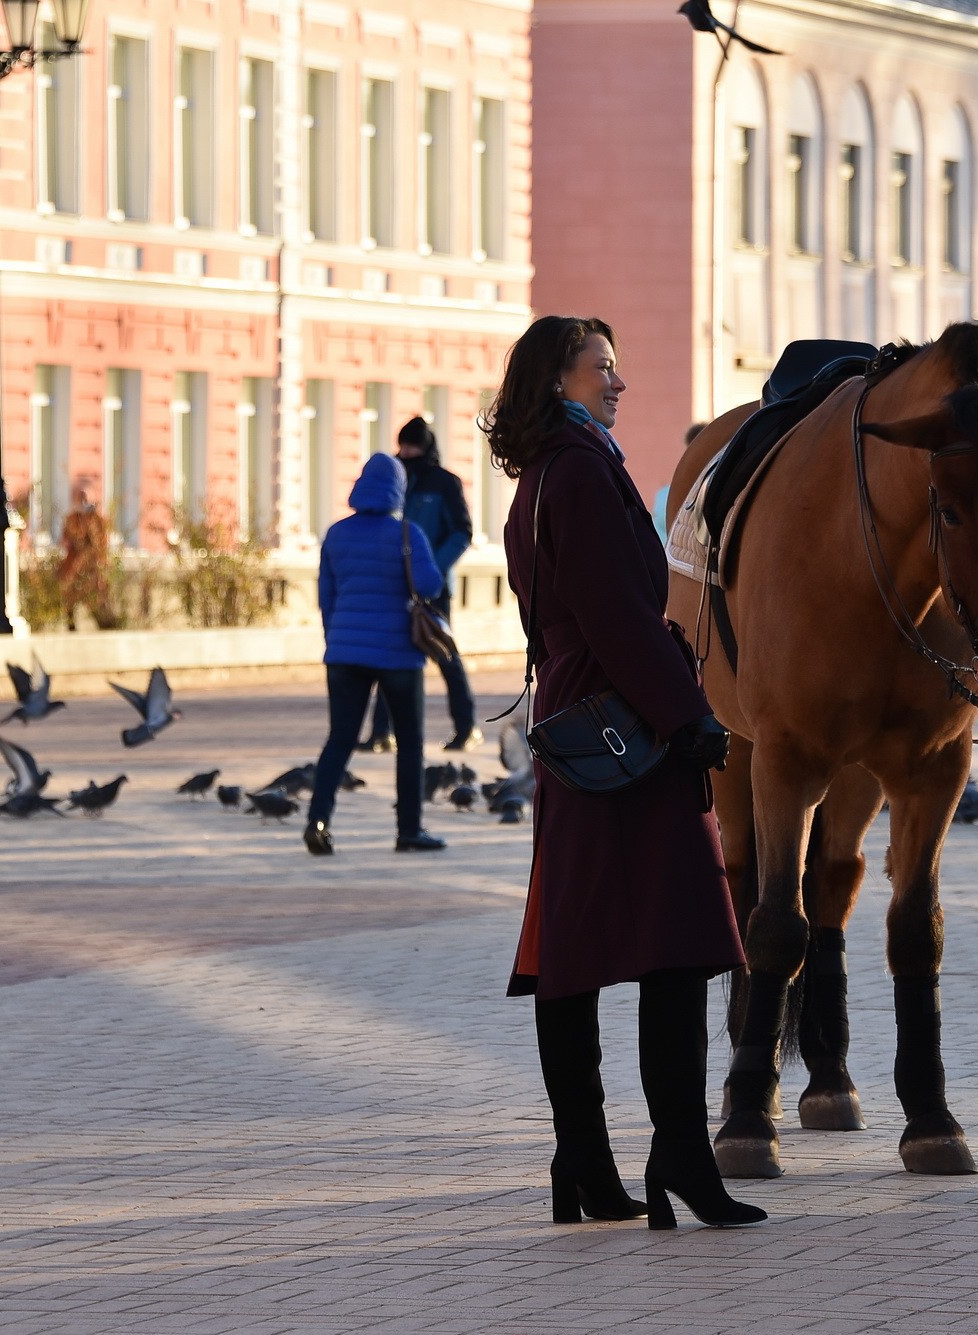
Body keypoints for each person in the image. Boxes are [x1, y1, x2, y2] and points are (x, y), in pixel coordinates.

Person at [488, 314, 764, 1230]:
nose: (618, 382)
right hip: (628, 735)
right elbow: (616, 616)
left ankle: (586, 1161)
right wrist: (693, 720)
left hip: (581, 730)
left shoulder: (541, 475)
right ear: (558, 379)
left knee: (572, 951)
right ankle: (678, 1152)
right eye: (601, 367)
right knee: (678, 942)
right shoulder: (580, 471)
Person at [304, 452, 448, 856]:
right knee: (410, 741)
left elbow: (326, 599)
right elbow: (430, 584)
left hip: (344, 652)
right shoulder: (407, 534)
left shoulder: (336, 534)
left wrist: (337, 639)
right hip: (398, 653)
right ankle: (409, 830)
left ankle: (317, 820)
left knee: (340, 739)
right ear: (398, 490)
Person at [363, 417, 478, 753]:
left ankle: (466, 728)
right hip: (397, 585)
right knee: (390, 655)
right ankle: (382, 733)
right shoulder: (396, 479)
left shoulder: (445, 483)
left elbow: (461, 532)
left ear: (426, 446)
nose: (405, 451)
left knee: (445, 653)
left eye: (412, 445)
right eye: (402, 445)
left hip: (433, 587)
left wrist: (432, 569)